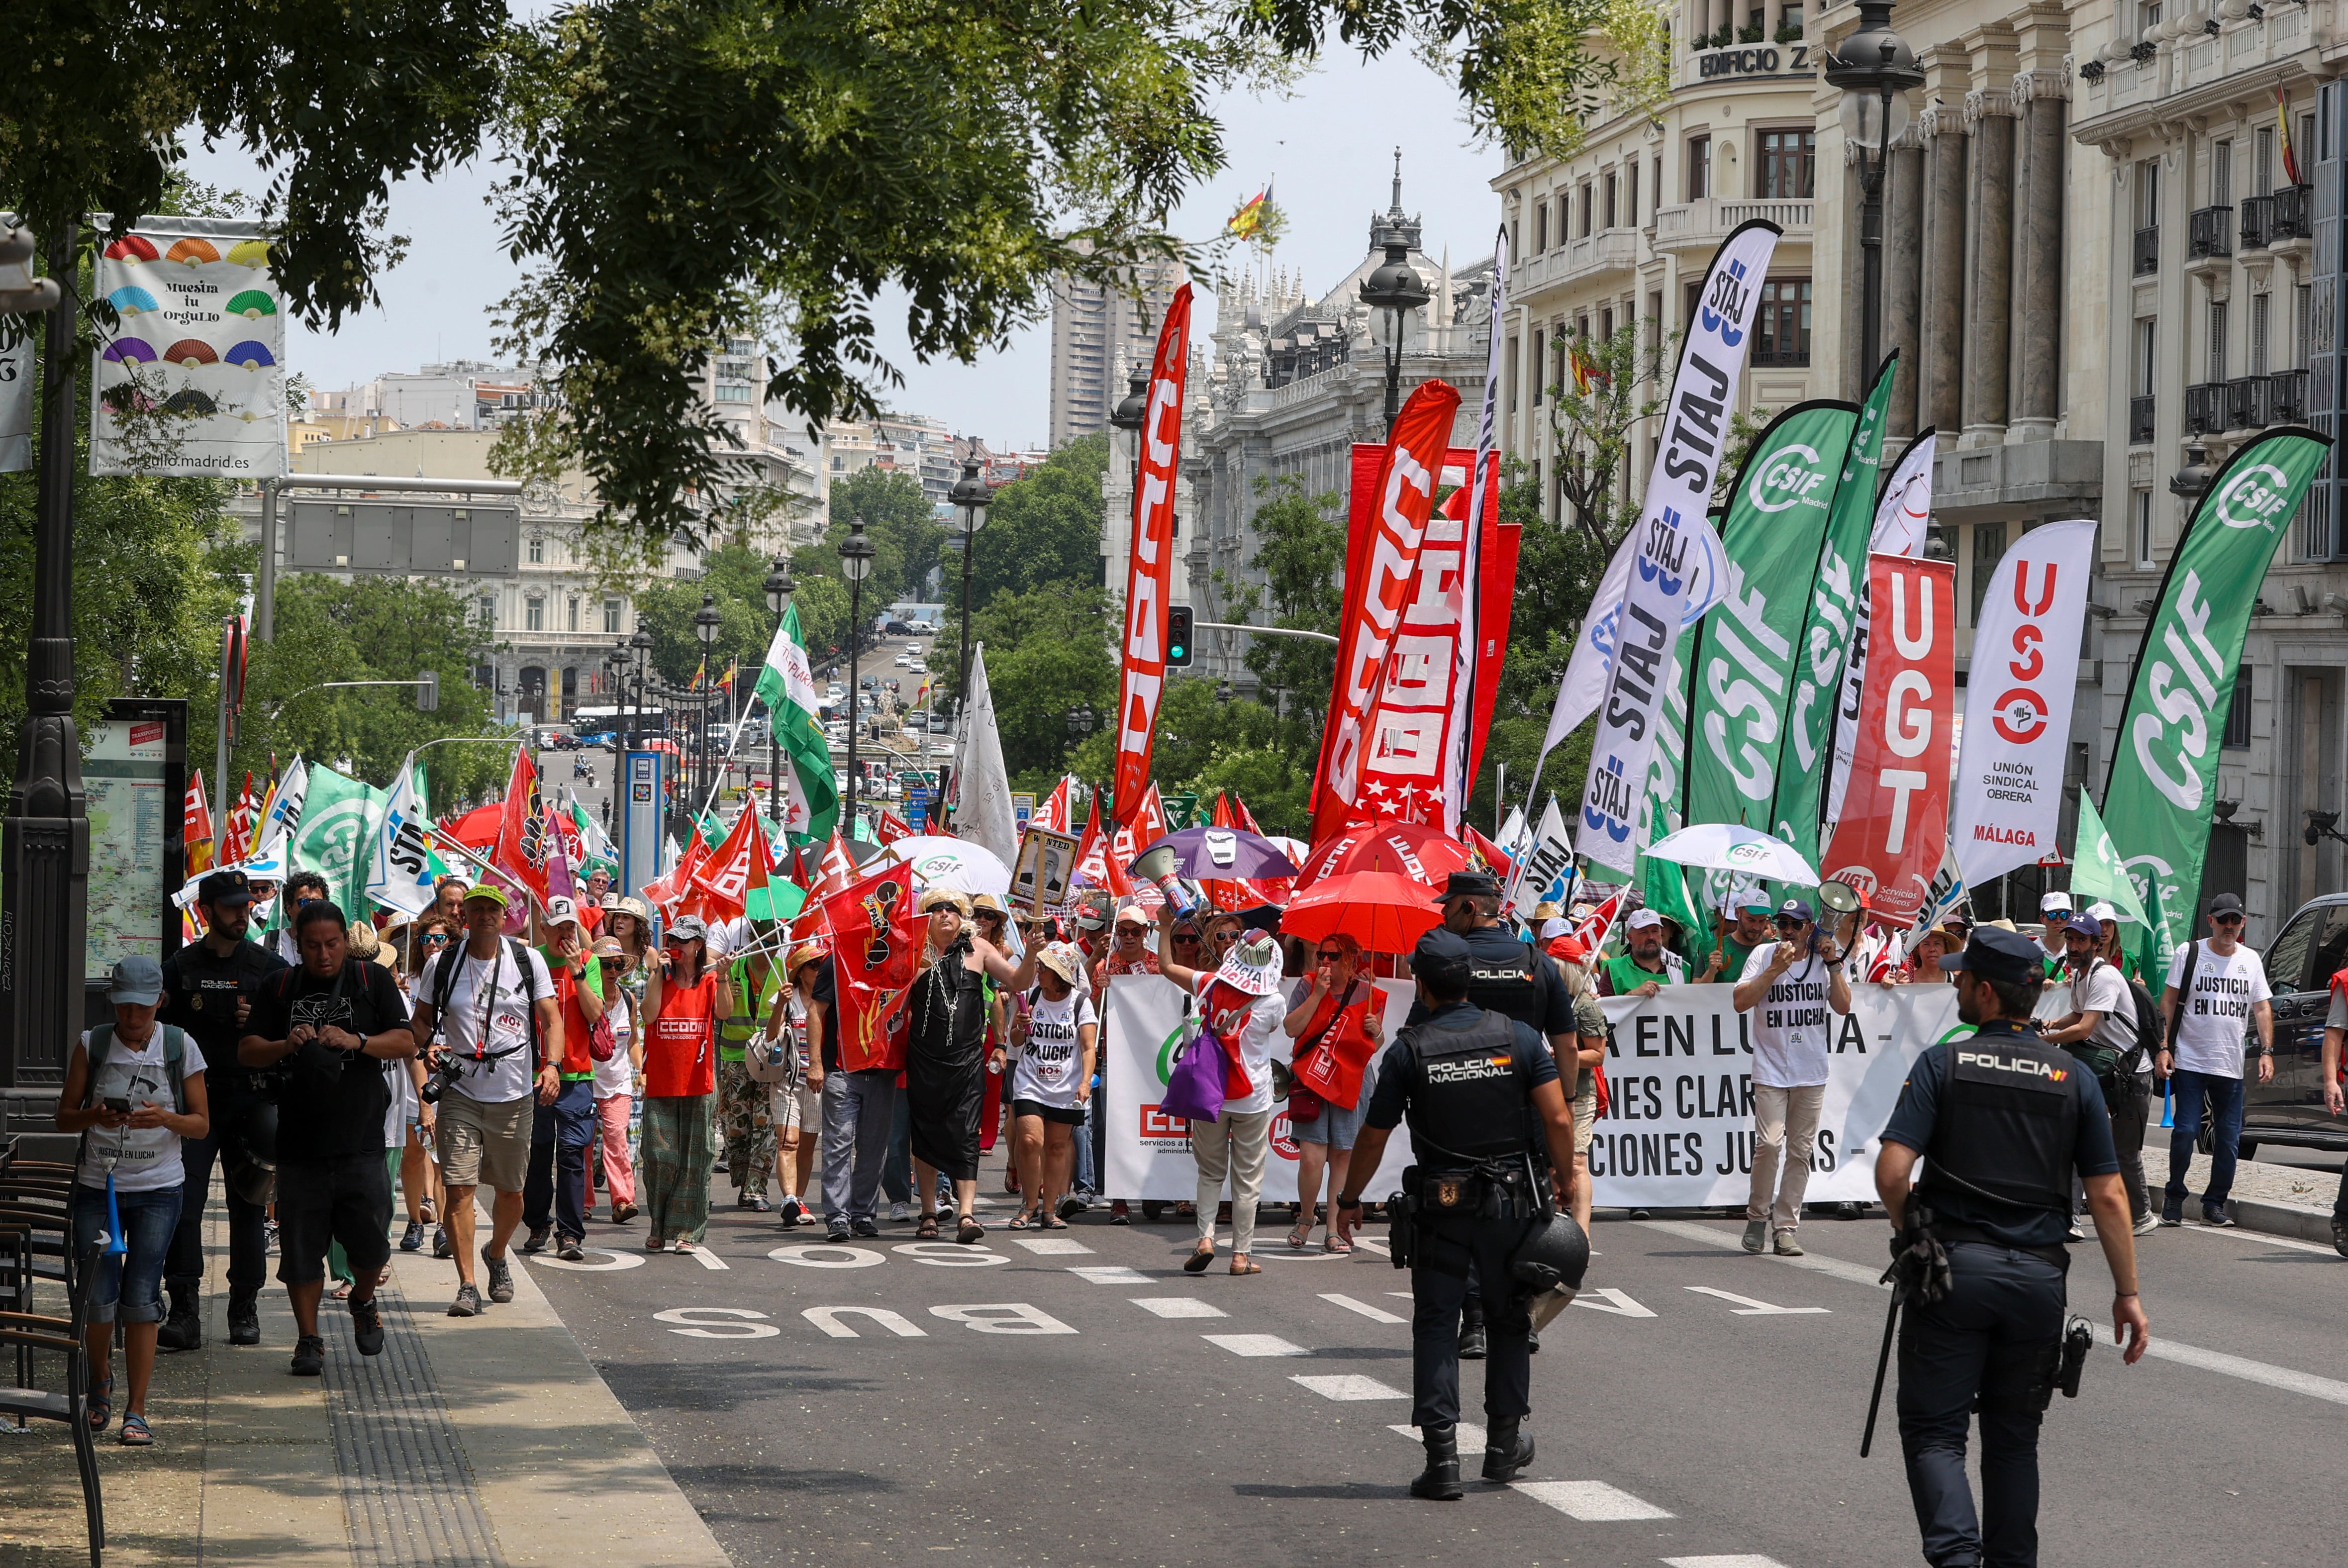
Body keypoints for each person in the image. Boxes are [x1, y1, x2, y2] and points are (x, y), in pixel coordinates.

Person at [1874, 923, 2150, 1568]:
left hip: (1953, 1278)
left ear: (1987, 994)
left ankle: (1957, 1558)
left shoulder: (1944, 1062)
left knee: (1935, 1434)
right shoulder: (2074, 1078)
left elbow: (1892, 1173)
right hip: (2037, 1285)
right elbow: (2109, 1197)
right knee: (2013, 1440)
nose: (1956, 983)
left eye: (1964, 977)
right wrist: (2128, 1294)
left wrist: (1909, 1228)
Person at [1331, 929, 1578, 1500]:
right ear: (1468, 979)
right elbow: (1559, 1119)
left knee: (1438, 1325)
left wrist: (1348, 1201)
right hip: (1512, 1207)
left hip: (1440, 1210)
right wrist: (1565, 1179)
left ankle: (1441, 1460)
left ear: (1421, 982)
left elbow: (1372, 1136)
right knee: (1510, 1320)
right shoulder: (1518, 1037)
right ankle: (1501, 1448)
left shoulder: (1409, 1048)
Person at [239, 902, 416, 1376]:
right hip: (300, 1147)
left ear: (345, 942)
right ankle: (309, 1338)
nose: (323, 955)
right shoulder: (280, 986)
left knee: (373, 1249)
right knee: (300, 1253)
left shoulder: (371, 981)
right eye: (313, 946)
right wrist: (286, 1045)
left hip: (361, 1143)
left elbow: (405, 1043)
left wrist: (357, 1041)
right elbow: (248, 1050)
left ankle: (362, 1299)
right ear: (297, 943)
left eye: (332, 944)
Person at [1410, 870, 1580, 1355]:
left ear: (1469, 907)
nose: (1442, 914)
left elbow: (1416, 1036)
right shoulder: (1537, 961)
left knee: (1461, 1217)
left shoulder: (1451, 963)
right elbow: (1567, 1043)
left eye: (1448, 905)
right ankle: (1521, 1316)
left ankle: (1475, 1323)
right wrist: (1563, 1100)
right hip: (1527, 1109)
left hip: (1457, 1111)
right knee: (1527, 1214)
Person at [56, 958, 211, 1445]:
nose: (132, 1015)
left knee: (142, 1296)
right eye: (124, 1005)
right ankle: (100, 1382)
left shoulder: (179, 1045)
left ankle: (137, 1408)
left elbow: (202, 1123)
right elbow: (64, 1117)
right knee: (98, 1296)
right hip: (98, 1187)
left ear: (158, 1002)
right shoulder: (93, 1044)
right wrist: (96, 1115)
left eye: (142, 1006)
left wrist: (165, 1118)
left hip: (159, 1187)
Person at [408, 884, 564, 1317]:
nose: (484, 918)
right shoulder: (443, 964)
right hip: (460, 1092)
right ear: (464, 918)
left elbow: (552, 1018)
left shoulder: (526, 960)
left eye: (492, 911)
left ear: (504, 917)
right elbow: (421, 1022)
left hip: (514, 1093)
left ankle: (496, 1254)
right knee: (459, 1190)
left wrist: (552, 1066)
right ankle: (467, 1286)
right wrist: (424, 1048)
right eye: (475, 911)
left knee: (513, 1193)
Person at [155, 869, 287, 1350]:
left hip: (250, 1100)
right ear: (206, 911)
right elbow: (154, 1026)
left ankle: (244, 1307)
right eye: (231, 906)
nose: (242, 913)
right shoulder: (180, 966)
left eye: (246, 904)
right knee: (183, 1206)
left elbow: (291, 1033)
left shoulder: (269, 968)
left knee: (249, 1207)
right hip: (193, 1102)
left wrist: (262, 1023)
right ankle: (185, 1308)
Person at [1154, 908, 1288, 1276]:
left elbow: (1166, 967)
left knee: (1210, 1173)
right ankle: (1242, 1256)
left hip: (1211, 1093)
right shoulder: (1274, 1001)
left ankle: (1206, 1238)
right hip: (1253, 1097)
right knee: (1247, 1181)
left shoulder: (1210, 983)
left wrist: (1166, 927)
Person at [1729, 897, 1853, 1256]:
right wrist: (1772, 971)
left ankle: (1785, 1228)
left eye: (1796, 925)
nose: (1788, 931)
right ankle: (1757, 1216)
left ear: (1810, 929)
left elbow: (1844, 1006)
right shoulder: (1764, 955)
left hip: (1811, 1072)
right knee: (1768, 1145)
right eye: (1782, 923)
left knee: (1800, 1152)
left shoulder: (1823, 957)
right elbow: (1740, 1002)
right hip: (1770, 1069)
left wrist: (1833, 965)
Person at [2154, 892, 2273, 1227]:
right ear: (2211, 921)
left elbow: (2262, 1007)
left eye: (2235, 921)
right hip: (2190, 1060)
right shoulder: (2189, 953)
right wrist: (2164, 1047)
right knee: (2186, 1131)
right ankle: (2175, 1197)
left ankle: (2214, 1203)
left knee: (2229, 1139)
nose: (2229, 927)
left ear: (2243, 923)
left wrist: (2266, 1051)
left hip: (2230, 1064)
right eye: (2223, 920)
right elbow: (2169, 1001)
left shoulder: (2251, 960)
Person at [2039, 913, 2154, 1234]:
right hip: (2103, 1068)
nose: (2074, 946)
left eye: (2080, 940)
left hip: (2131, 1074)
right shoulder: (2079, 975)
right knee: (2076, 1137)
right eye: (2070, 940)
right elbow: (2077, 1014)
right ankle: (2071, 1219)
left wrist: (2045, 1039)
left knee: (2124, 1152)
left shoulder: (2104, 976)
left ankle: (2142, 1215)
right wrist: (2048, 1023)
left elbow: (2085, 1027)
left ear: (2095, 943)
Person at [1280, 933, 1384, 1252]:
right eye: (1322, 955)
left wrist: (1376, 1031)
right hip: (1313, 1080)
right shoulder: (1307, 985)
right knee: (1312, 1159)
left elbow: (1375, 1047)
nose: (1325, 961)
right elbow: (1291, 1028)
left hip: (1352, 1084)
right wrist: (1317, 996)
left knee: (1342, 1157)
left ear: (1351, 958)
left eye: (1334, 956)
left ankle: (1334, 1229)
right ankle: (1306, 1218)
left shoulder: (1368, 992)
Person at [903, 888, 993, 1244]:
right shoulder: (912, 956)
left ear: (961, 917)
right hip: (925, 1061)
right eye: (936, 909)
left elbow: (1017, 982)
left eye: (952, 908)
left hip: (968, 1061)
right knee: (925, 1136)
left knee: (966, 1134)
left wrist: (1032, 951)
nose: (944, 914)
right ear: (925, 918)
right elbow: (891, 1006)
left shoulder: (980, 951)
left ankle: (967, 1214)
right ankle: (928, 1212)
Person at [521, 897, 605, 1261]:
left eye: (571, 927)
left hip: (576, 1077)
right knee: (538, 1155)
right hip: (535, 1076)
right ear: (544, 930)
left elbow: (595, 1013)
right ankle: (538, 1222)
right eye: (559, 928)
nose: (566, 934)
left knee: (572, 1156)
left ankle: (570, 1234)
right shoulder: (531, 960)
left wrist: (578, 974)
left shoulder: (589, 962)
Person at [640, 916, 729, 1253]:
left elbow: (723, 1012)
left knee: (696, 1158)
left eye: (684, 941)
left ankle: (687, 1233)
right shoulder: (661, 978)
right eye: (673, 939)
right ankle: (658, 1226)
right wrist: (655, 975)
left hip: (698, 1082)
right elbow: (649, 1016)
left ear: (698, 946)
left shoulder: (709, 978)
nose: (676, 946)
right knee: (660, 1157)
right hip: (662, 1081)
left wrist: (721, 976)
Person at [1004, 942, 1098, 1231]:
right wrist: (1020, 1026)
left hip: (1065, 1087)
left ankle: (1049, 1210)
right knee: (1031, 1141)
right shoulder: (1030, 997)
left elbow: (1087, 1048)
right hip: (1030, 1082)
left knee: (1058, 1146)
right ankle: (1029, 1205)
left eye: (1043, 967)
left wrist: (1085, 1082)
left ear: (1059, 974)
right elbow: (1018, 1041)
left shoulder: (1081, 1004)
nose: (1038, 971)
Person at [714, 918, 783, 1213]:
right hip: (735, 1058)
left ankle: (757, 1188)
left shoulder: (783, 973)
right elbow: (722, 1013)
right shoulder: (734, 969)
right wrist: (724, 980)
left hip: (770, 1059)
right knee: (736, 1127)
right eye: (762, 942)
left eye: (773, 943)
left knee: (766, 1123)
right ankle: (743, 1181)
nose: (767, 948)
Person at [589, 936, 643, 1224]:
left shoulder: (628, 998)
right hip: (585, 1080)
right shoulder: (586, 997)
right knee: (583, 1145)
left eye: (618, 964)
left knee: (616, 1140)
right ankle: (584, 1201)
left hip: (619, 1081)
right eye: (606, 965)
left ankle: (623, 1200)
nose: (613, 970)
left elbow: (633, 1039)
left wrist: (640, 1071)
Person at [773, 943, 826, 1227]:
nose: (820, 971)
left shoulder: (829, 998)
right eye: (814, 966)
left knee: (807, 1145)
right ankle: (789, 1198)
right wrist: (780, 1005)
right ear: (801, 972)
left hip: (818, 1081)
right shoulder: (787, 996)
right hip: (787, 1079)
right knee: (789, 1142)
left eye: (822, 966)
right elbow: (770, 1035)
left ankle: (800, 1200)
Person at [1598, 908, 1686, 996]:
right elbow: (1604, 1007)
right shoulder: (1614, 969)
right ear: (1630, 938)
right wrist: (1633, 995)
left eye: (1655, 931)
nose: (1651, 937)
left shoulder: (1682, 968)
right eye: (1644, 932)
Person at [1706, 890, 1777, 984]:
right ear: (1737, 914)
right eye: (1751, 920)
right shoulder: (1711, 948)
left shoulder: (1776, 951)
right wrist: (1711, 973)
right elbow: (1695, 991)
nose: (1756, 927)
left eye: (1762, 921)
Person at [2036, 889, 2074, 975]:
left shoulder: (2078, 951)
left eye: (2064, 915)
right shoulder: (2031, 951)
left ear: (2070, 917)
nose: (2058, 920)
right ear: (2042, 919)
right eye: (2052, 915)